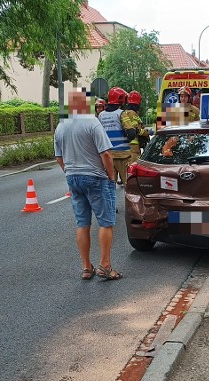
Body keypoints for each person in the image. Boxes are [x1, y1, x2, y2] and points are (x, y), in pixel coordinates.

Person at [54, 88, 122, 281]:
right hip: (96, 177)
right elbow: (106, 154)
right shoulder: (93, 122)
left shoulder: (61, 126)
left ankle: (86, 267)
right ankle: (105, 266)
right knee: (106, 222)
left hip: (73, 178)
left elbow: (59, 157)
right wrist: (110, 176)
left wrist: (69, 171)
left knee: (82, 223)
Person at [98, 87, 131, 185]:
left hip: (108, 155)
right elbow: (131, 133)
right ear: (121, 99)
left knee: (109, 186)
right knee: (128, 185)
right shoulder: (121, 113)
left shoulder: (101, 115)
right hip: (123, 155)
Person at [120, 90, 150, 162]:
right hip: (134, 148)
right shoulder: (133, 114)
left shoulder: (125, 112)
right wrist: (147, 132)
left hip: (126, 146)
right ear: (138, 103)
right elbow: (137, 130)